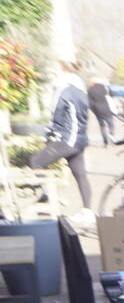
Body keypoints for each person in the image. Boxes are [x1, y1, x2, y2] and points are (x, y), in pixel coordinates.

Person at [29, 64, 92, 215]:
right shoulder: (82, 94)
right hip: (80, 140)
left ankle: (47, 196)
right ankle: (88, 211)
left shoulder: (63, 90)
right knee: (80, 174)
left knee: (35, 162)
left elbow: (56, 114)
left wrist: (49, 135)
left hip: (67, 140)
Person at [86, 76, 116, 144]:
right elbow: (112, 94)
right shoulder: (104, 87)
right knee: (111, 124)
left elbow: (90, 102)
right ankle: (111, 137)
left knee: (102, 126)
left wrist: (93, 110)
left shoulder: (90, 89)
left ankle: (105, 141)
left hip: (98, 110)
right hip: (107, 108)